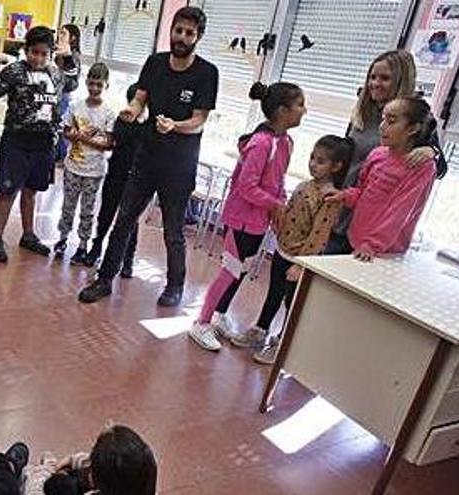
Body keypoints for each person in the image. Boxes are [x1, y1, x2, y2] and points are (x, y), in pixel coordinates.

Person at [78, 6, 218, 306]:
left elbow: (199, 120)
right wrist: (132, 109)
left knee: (172, 231)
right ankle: (104, 279)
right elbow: (140, 97)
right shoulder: (154, 63)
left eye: (189, 33)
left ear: (198, 36)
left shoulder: (207, 73)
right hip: (147, 157)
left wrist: (175, 125)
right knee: (124, 219)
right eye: (178, 30)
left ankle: (175, 286)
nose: (181, 37)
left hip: (179, 166)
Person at [189, 81, 305, 352]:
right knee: (229, 270)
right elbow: (247, 186)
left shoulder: (285, 142)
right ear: (281, 110)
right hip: (240, 219)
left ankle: (219, 315)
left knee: (240, 270)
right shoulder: (261, 143)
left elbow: (278, 181)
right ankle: (202, 322)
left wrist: (280, 207)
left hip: (258, 222)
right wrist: (274, 205)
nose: (304, 110)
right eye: (299, 105)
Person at [233, 135, 353, 364]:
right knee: (273, 294)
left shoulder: (329, 198)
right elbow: (289, 214)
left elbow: (319, 235)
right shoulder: (304, 185)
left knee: (291, 303)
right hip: (282, 250)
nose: (313, 164)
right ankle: (260, 330)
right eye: (312, 158)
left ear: (336, 167)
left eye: (321, 161)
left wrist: (300, 264)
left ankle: (283, 342)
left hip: (300, 260)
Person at [326, 50, 447, 254]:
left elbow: (438, 169)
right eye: (372, 77)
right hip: (346, 203)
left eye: (384, 78)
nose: (375, 83)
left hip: (373, 224)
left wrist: (432, 151)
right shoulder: (364, 110)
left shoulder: (413, 121)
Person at [0, 26, 79, 263]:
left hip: (43, 142)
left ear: (50, 54)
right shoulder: (15, 71)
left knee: (32, 191)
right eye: (33, 52)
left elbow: (74, 81)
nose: (38, 58)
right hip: (16, 140)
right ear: (26, 51)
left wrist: (67, 54)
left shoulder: (56, 74)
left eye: (43, 54)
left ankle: (28, 234)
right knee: (8, 191)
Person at [324, 96, 439, 261]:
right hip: (355, 240)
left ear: (413, 128)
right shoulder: (377, 154)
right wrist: (344, 196)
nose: (382, 126)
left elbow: (401, 211)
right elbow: (362, 191)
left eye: (391, 121)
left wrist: (372, 244)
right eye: (383, 119)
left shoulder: (422, 167)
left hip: (383, 252)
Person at [53, 62, 116, 265]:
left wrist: (81, 137)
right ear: (86, 82)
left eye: (99, 85)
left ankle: (82, 245)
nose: (95, 88)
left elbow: (107, 144)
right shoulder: (75, 106)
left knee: (87, 211)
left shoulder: (108, 113)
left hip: (94, 171)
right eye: (91, 83)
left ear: (106, 85)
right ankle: (62, 239)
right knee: (68, 206)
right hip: (72, 167)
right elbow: (66, 131)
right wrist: (80, 136)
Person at [83, 82, 149, 273]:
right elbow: (113, 142)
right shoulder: (121, 120)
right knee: (106, 213)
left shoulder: (147, 126)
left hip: (136, 178)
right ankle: (96, 248)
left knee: (130, 219)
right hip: (116, 173)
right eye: (131, 102)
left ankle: (128, 259)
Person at [21, 424, 157, 495]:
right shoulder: (139, 481)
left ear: (94, 480)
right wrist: (70, 460)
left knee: (27, 473)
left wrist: (46, 470)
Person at [54, 23, 83, 166]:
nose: (59, 36)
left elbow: (72, 81)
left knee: (60, 125)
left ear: (72, 38)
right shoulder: (56, 52)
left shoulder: (73, 56)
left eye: (63, 33)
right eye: (59, 33)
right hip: (54, 93)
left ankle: (62, 157)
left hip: (64, 95)